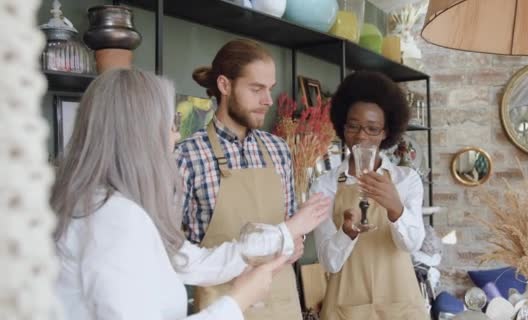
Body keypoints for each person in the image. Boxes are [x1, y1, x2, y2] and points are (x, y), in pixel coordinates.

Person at [52, 68, 330, 320]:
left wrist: (284, 234)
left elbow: (194, 261)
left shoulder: (106, 206)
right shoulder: (115, 218)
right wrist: (238, 300)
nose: (175, 136)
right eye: (171, 124)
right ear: (140, 135)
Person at [176, 38, 327, 319]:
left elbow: (291, 228)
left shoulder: (278, 150)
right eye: (256, 89)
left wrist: (297, 239)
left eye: (269, 89)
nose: (268, 100)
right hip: (223, 306)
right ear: (224, 85)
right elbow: (173, 252)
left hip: (282, 304)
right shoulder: (188, 156)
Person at [311, 71, 429, 320]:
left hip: (401, 308)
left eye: (372, 129)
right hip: (345, 309)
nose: (362, 136)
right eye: (353, 126)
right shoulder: (325, 185)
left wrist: (395, 208)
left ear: (386, 132)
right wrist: (346, 233)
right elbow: (329, 263)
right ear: (342, 126)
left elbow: (412, 245)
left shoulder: (406, 180)